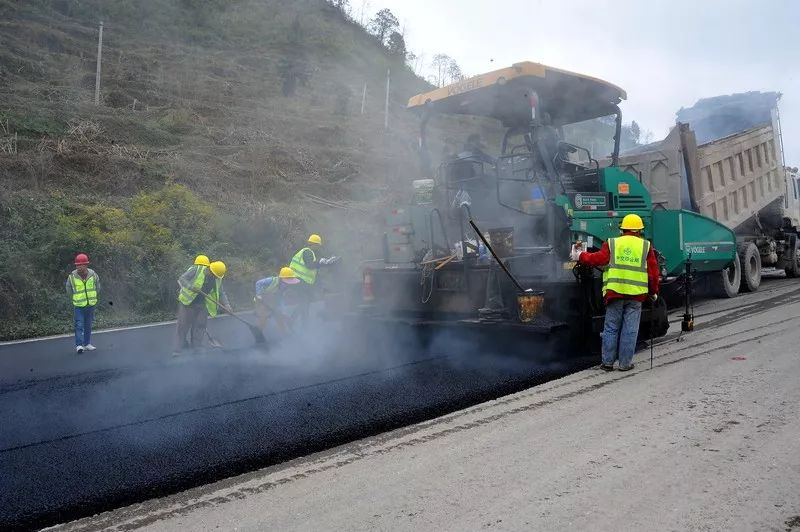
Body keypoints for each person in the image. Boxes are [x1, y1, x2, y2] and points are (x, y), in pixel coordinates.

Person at [570, 214, 660, 371]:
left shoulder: (612, 243)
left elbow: (598, 259)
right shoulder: (646, 246)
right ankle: (625, 364)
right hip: (636, 295)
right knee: (630, 329)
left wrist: (580, 255)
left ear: (622, 229)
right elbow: (653, 274)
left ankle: (607, 363)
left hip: (615, 293)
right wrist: (653, 292)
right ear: (639, 230)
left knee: (611, 327)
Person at [174, 259, 229, 356]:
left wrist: (227, 305)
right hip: (188, 303)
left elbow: (221, 293)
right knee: (183, 326)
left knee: (200, 326)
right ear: (210, 270)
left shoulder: (218, 278)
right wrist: (190, 287)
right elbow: (182, 279)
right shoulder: (197, 269)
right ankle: (178, 350)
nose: (215, 277)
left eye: (216, 276)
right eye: (214, 275)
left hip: (202, 304)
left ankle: (196, 348)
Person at [289, 234, 338, 324]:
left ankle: (293, 321)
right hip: (299, 280)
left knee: (305, 302)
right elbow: (310, 265)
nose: (318, 248)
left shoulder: (307, 252)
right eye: (318, 246)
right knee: (305, 302)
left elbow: (312, 267)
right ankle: (303, 324)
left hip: (299, 281)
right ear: (314, 244)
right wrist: (321, 262)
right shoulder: (308, 252)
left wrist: (324, 263)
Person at [66, 253, 100, 354]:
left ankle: (87, 344)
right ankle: (79, 345)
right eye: (77, 265)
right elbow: (68, 289)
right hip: (79, 305)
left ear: (86, 265)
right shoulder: (72, 277)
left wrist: (93, 296)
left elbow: (97, 287)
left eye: (80, 265)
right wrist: (74, 298)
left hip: (90, 304)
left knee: (88, 324)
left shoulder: (93, 274)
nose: (78, 267)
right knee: (79, 324)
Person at [254, 266, 301, 333]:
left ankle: (284, 333)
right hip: (262, 301)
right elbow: (258, 283)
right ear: (281, 278)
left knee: (279, 316)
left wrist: (282, 310)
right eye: (288, 280)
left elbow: (280, 298)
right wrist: (258, 294)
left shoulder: (284, 286)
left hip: (272, 302)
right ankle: (258, 331)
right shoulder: (272, 280)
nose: (288, 283)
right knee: (263, 317)